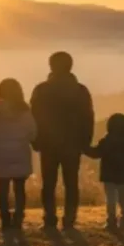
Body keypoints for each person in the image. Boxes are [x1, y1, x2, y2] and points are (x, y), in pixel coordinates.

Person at [30, 51, 94, 230]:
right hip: (73, 145)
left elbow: (34, 117)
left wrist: (35, 141)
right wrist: (85, 142)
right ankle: (69, 220)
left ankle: (50, 218)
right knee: (71, 183)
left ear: (51, 66)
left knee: (48, 184)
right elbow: (88, 118)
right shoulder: (80, 90)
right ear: (70, 66)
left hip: (48, 145)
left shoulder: (41, 89)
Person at [0, 78, 37, 229]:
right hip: (20, 152)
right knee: (19, 188)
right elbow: (33, 132)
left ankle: (5, 217)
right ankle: (19, 217)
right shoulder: (24, 109)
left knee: (3, 187)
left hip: (0, 152)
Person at [85, 113, 124, 230]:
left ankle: (111, 222)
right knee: (123, 200)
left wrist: (84, 149)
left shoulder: (107, 141)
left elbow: (96, 153)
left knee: (111, 200)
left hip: (109, 176)